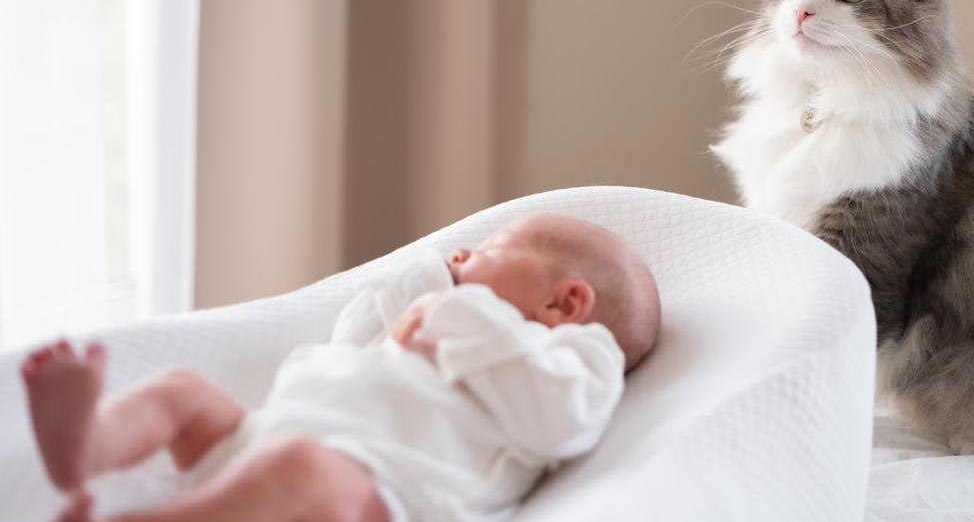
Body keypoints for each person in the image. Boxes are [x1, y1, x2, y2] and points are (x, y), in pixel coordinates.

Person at [22, 213, 661, 522]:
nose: (463, 253)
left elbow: (559, 424)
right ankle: (88, 444)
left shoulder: (579, 359)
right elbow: (350, 338)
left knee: (296, 471)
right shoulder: (436, 315)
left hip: (376, 494)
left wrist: (452, 310)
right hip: (271, 436)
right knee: (182, 391)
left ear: (566, 301)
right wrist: (422, 288)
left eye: (491, 250)